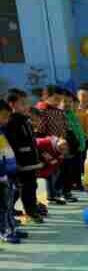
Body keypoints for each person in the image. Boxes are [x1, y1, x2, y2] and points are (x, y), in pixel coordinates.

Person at [4, 88, 44, 223]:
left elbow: (31, 142)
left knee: (29, 186)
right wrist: (18, 162)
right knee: (25, 188)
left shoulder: (25, 120)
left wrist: (37, 158)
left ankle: (25, 208)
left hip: (30, 163)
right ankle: (31, 211)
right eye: (22, 104)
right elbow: (13, 145)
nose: (27, 106)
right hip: (21, 164)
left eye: (27, 103)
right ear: (12, 105)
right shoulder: (11, 123)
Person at [0, 99, 23, 243]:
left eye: (7, 117)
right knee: (2, 206)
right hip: (1, 177)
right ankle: (5, 231)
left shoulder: (2, 132)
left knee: (8, 205)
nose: (6, 120)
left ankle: (11, 227)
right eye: (4, 116)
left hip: (7, 175)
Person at [60, 90, 85, 197]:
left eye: (70, 102)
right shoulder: (60, 115)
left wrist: (82, 143)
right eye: (65, 101)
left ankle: (77, 184)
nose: (68, 104)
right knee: (67, 170)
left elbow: (79, 131)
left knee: (77, 167)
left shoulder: (72, 114)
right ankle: (66, 189)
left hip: (77, 146)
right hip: (67, 148)